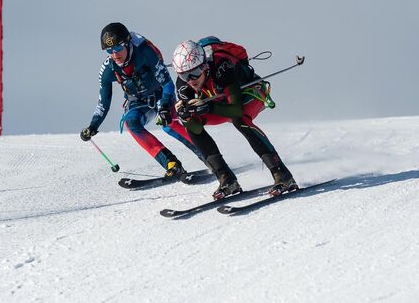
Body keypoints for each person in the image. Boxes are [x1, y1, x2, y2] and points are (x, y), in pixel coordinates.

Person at [171, 38, 297, 199]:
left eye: (194, 73)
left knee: (240, 120)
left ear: (204, 66)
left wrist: (207, 107)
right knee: (190, 124)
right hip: (219, 101)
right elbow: (195, 126)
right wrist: (186, 115)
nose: (191, 80)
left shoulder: (222, 67)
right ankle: (226, 179)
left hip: (250, 93)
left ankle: (281, 173)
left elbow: (236, 110)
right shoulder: (183, 83)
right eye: (184, 75)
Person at [80, 22, 203, 178]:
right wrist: (93, 125)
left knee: (168, 124)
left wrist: (165, 106)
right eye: (109, 50)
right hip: (137, 101)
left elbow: (167, 84)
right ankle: (171, 163)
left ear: (127, 44)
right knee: (131, 122)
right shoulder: (108, 70)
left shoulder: (145, 53)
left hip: (160, 93)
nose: (115, 54)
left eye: (118, 48)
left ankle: (207, 155)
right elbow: (103, 103)